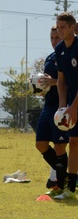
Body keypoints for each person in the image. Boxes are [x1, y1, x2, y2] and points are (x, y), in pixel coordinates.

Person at [33, 25, 68, 193]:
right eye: (52, 38)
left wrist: (54, 82)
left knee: (60, 146)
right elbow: (48, 82)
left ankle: (60, 185)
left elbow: (67, 81)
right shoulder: (49, 58)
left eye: (57, 37)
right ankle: (66, 175)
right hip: (47, 106)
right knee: (40, 144)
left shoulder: (68, 56)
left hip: (61, 107)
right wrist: (40, 87)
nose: (54, 41)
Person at [53, 12, 78, 199]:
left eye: (63, 27)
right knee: (74, 142)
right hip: (72, 103)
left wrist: (74, 106)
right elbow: (61, 81)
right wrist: (63, 107)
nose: (60, 31)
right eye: (58, 27)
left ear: (72, 28)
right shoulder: (60, 49)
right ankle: (71, 189)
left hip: (76, 103)